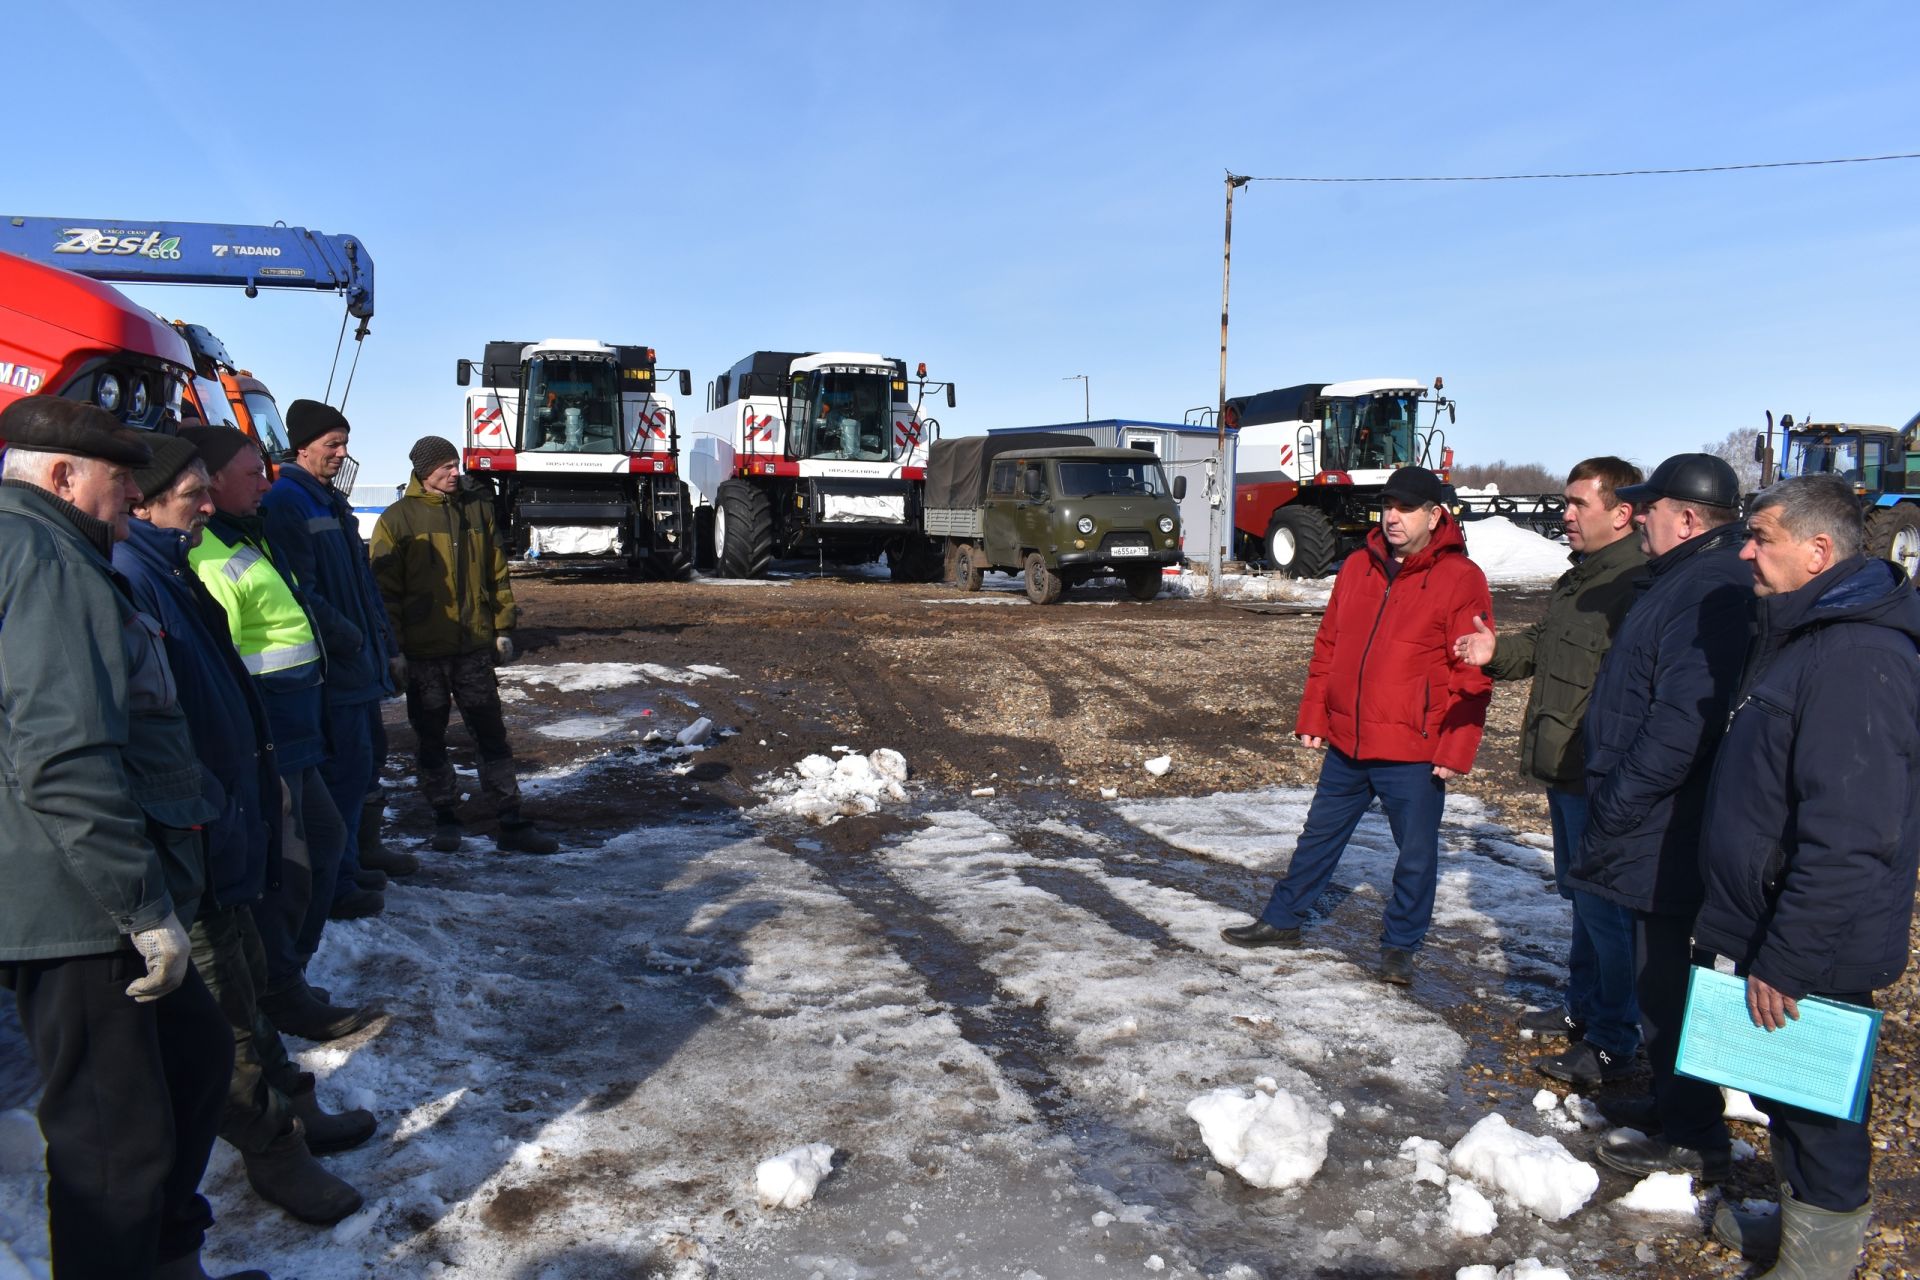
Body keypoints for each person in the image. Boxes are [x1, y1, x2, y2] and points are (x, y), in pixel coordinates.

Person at [0, 398, 262, 1280]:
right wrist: (140, 906)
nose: (128, 500)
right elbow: (67, 753)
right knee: (113, 1140)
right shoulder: (44, 559)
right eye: (119, 482)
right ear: (62, 475)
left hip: (86, 880)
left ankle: (167, 1259)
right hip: (75, 898)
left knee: (193, 1060)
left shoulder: (51, 547)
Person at [116, 436, 372, 1226]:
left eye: (204, 488)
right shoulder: (138, 579)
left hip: (229, 801)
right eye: (191, 490)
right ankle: (274, 1148)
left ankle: (288, 1102)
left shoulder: (173, 567)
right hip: (195, 820)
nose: (205, 501)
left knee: (247, 969)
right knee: (224, 1002)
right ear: (145, 500)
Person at [1696, 475, 1919, 1277]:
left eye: (1763, 538)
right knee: (1781, 1091)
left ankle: (1821, 1256)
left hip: (1814, 937)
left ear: (1819, 552)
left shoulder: (1857, 655)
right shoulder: (1806, 631)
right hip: (1774, 920)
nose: (1746, 551)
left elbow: (1854, 836)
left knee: (1819, 1106)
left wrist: (1788, 955)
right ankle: (1799, 1229)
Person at [1221, 466, 1493, 984]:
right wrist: (1314, 715)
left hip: (1413, 746)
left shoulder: (1462, 578)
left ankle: (1399, 947)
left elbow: (1471, 672)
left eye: (1406, 508)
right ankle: (1283, 921)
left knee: (1415, 854)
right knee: (1318, 837)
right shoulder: (1356, 568)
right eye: (1388, 505)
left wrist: (1456, 748)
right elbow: (1329, 646)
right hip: (1348, 741)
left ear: (1435, 516)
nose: (1393, 517)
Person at [1566, 452, 1751, 1181]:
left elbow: (1683, 721)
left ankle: (1696, 1134)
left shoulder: (1712, 589)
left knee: (1672, 979)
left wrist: (1618, 798)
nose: (1637, 516)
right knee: (1658, 972)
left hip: (1668, 820)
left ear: (1687, 517)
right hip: (1655, 817)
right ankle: (1677, 1105)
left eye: (1650, 507)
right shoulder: (1686, 579)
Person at [1452, 458, 1647, 1089]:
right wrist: (1493, 652)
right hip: (1567, 768)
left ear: (1621, 513)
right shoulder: (1585, 577)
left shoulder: (1635, 584)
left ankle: (1616, 1040)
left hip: (1599, 776)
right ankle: (1586, 1012)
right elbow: (1542, 641)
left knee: (1607, 911)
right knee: (1584, 902)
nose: (1564, 514)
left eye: (1576, 504)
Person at [181, 425, 379, 1043]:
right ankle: (278, 988)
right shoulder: (208, 555)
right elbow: (224, 666)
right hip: (266, 742)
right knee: (290, 864)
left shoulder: (251, 533)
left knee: (319, 843)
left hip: (295, 730)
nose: (265, 483)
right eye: (251, 474)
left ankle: (287, 973)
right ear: (212, 482)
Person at [262, 399, 415, 920]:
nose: (342, 454)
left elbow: (362, 584)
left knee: (366, 761)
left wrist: (386, 644)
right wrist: (348, 637)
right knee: (344, 772)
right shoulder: (289, 502)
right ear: (302, 446)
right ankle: (337, 883)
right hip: (334, 667)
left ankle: (350, 863)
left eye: (345, 443)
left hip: (360, 662)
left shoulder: (328, 502)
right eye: (332, 445)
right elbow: (300, 590)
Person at [371, 436, 558, 855]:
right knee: (431, 738)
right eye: (445, 467)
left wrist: (503, 627)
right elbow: (385, 595)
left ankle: (511, 821)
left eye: (456, 465)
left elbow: (497, 573)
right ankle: (445, 819)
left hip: (473, 647)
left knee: (492, 734)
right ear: (423, 472)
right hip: (423, 654)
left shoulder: (477, 509)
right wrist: (394, 651)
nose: (455, 472)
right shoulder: (398, 520)